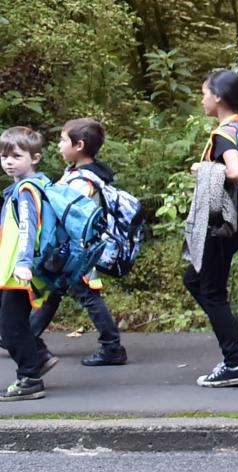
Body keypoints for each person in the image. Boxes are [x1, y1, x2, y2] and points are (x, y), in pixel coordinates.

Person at [184, 69, 238, 388]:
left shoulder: (225, 133)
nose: (202, 99)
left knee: (210, 289)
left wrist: (202, 168)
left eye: (204, 93)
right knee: (194, 278)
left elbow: (237, 173)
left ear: (218, 97)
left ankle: (234, 362)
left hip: (223, 220)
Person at [29, 118, 128, 367]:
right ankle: (26, 337)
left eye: (63, 140)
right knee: (54, 290)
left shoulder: (83, 181)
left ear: (79, 145)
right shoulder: (78, 173)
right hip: (74, 249)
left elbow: (72, 216)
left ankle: (112, 346)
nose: (59, 146)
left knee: (87, 295)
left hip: (78, 251)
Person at [0, 126, 56, 401]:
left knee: (10, 326)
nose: (8, 161)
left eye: (16, 156)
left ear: (35, 158)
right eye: (4, 156)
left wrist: (23, 263)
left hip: (19, 271)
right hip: (14, 270)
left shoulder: (26, 190)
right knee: (13, 324)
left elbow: (28, 227)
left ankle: (30, 378)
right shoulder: (29, 187)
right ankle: (39, 357)